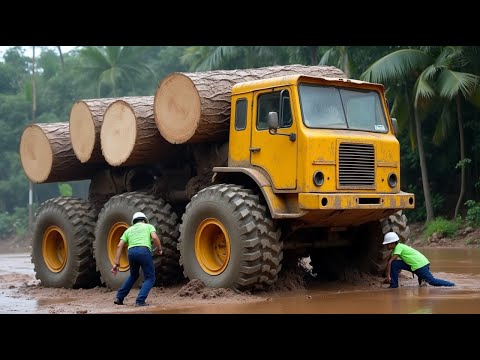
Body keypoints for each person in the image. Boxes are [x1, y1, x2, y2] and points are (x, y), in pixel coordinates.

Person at [111, 211, 163, 306]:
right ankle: (140, 300)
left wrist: (116, 264)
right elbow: (155, 238)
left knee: (133, 276)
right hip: (144, 251)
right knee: (150, 277)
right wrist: (159, 249)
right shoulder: (148, 226)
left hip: (131, 253)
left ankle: (119, 297)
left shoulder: (128, 230)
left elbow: (119, 246)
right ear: (144, 220)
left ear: (134, 221)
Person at [383, 231, 455, 289]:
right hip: (415, 264)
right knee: (395, 264)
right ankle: (394, 285)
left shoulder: (399, 247)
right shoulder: (397, 248)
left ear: (392, 243)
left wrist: (388, 277)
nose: (386, 246)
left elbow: (390, 262)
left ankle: (451, 285)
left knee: (432, 281)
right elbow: (392, 263)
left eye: (387, 244)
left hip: (420, 265)